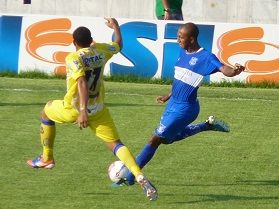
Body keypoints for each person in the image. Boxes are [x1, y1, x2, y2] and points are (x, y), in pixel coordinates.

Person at [26, 18, 158, 201]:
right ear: (91, 40)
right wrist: (116, 27)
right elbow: (119, 44)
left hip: (74, 108)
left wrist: (81, 111)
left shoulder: (73, 57)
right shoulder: (101, 50)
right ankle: (139, 175)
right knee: (116, 144)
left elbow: (81, 82)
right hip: (99, 109)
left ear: (74, 43)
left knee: (46, 112)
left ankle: (47, 157)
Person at [117, 22, 245, 186]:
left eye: (180, 37)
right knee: (166, 140)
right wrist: (169, 95)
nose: (178, 40)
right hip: (173, 105)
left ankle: (130, 177)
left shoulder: (206, 57)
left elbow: (225, 69)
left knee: (154, 139)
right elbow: (181, 78)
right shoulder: (182, 52)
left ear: (191, 39)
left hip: (186, 108)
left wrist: (235, 70)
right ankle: (206, 126)